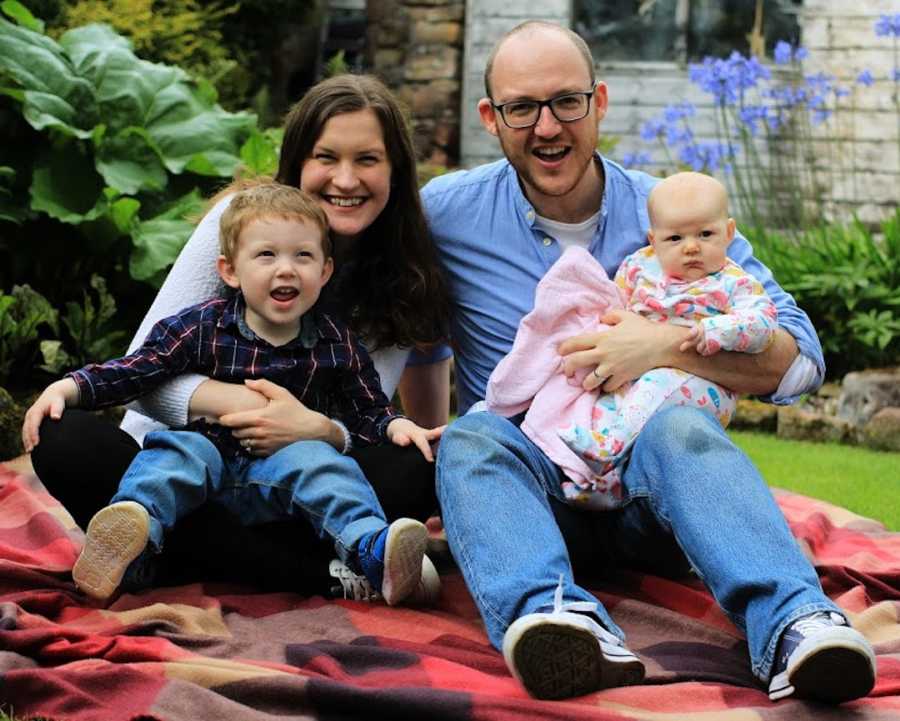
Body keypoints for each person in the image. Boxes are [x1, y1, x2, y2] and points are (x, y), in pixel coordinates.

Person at [422, 21, 876, 704]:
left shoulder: (676, 213)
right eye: (522, 108)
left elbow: (799, 362)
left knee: (678, 426)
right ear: (490, 117)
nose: (547, 127)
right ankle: (553, 617)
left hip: (651, 500)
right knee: (473, 433)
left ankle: (795, 625)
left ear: (600, 100)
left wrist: (660, 345)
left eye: (567, 102)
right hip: (532, 496)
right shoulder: (447, 213)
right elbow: (339, 254)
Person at [29, 74, 451, 600]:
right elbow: (143, 371)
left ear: (396, 169)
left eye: (368, 159)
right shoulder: (234, 238)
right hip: (185, 454)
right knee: (64, 437)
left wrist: (319, 428)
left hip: (297, 473)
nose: (346, 179)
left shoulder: (390, 288)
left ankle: (163, 560)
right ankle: (313, 573)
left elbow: (366, 411)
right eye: (327, 157)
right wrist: (236, 404)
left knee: (411, 462)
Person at [486, 171, 778, 508]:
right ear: (653, 241)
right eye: (675, 239)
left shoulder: (732, 282)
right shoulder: (639, 268)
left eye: (705, 234)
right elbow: (614, 304)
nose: (692, 247)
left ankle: (606, 449)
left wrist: (715, 330)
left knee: (656, 384)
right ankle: (598, 481)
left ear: (728, 233)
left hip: (701, 383)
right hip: (634, 378)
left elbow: (762, 324)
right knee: (601, 399)